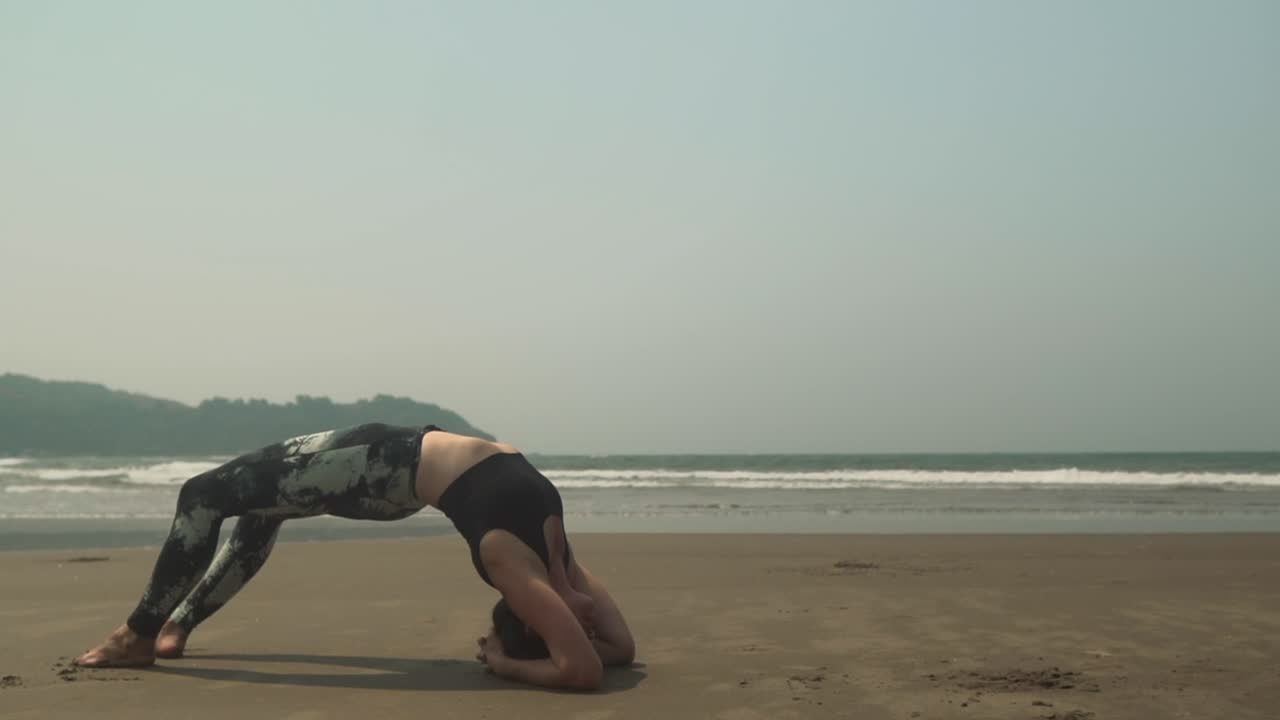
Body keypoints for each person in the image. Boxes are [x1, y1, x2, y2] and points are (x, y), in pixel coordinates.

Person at [74, 423, 635, 691]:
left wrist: (504, 663)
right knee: (263, 507)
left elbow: (581, 672)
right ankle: (177, 627)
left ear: (537, 618)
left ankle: (138, 634)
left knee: (200, 494)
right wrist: (571, 633)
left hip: (383, 468)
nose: (590, 626)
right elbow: (619, 649)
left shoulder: (512, 564)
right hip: (385, 445)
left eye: (571, 628)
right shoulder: (563, 565)